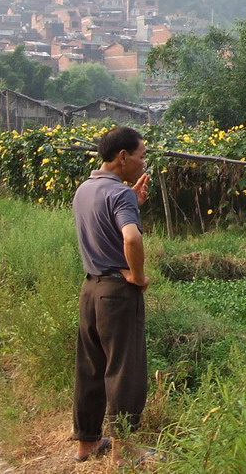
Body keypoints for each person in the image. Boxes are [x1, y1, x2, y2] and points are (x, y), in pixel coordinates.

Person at [70, 126, 155, 467]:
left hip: (90, 289)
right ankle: (125, 449)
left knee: (90, 366)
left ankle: (87, 442)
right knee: (124, 369)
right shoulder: (118, 194)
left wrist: (130, 201)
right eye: (141, 155)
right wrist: (137, 276)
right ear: (123, 157)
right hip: (118, 294)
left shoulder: (85, 189)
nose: (143, 161)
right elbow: (131, 239)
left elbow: (102, 225)